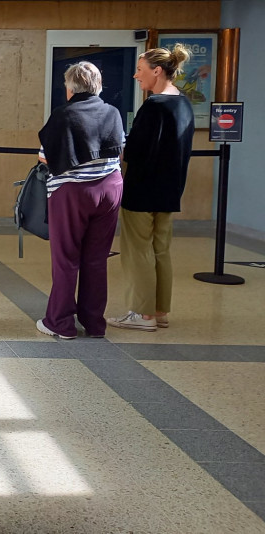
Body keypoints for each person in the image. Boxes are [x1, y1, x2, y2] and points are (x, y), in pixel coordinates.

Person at [108, 44, 195, 332]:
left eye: (140, 70)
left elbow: (133, 152)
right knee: (161, 250)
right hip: (170, 190)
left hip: (143, 190)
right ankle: (159, 310)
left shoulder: (153, 107)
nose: (136, 76)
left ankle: (142, 314)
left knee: (138, 251)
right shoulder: (183, 104)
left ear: (157, 71)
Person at [36, 61, 125, 340]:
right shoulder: (112, 112)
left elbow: (45, 157)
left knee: (66, 259)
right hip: (110, 189)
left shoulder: (63, 115)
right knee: (97, 259)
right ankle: (95, 323)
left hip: (72, 192)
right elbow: (119, 149)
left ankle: (60, 323)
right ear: (97, 85)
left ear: (70, 87)